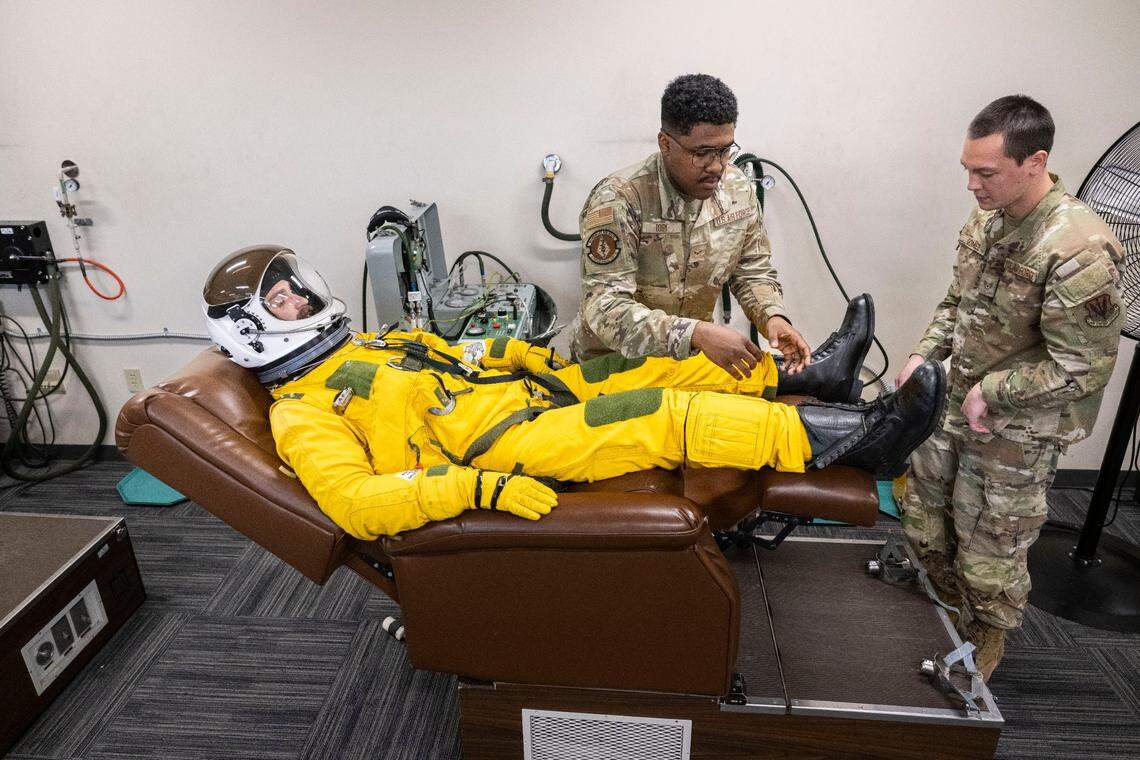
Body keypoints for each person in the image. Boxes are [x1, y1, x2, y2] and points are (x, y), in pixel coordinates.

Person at [203, 246, 944, 542]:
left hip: (520, 392)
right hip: (504, 445)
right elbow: (360, 507)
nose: (301, 298)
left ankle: (809, 378)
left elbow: (446, 350)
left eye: (296, 285)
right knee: (658, 412)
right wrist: (477, 488)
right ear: (251, 330)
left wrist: (512, 351)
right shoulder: (302, 415)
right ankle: (854, 441)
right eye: (282, 300)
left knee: (650, 367)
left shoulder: (358, 347)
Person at [895, 95, 1125, 681]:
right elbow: (958, 303)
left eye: (985, 173)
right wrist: (925, 352)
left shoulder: (1078, 248)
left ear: (1035, 161)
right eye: (968, 170)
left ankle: (981, 645)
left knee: (989, 549)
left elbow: (1083, 366)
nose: (972, 185)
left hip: (1018, 429)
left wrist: (993, 392)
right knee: (923, 514)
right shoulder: (987, 218)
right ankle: (945, 611)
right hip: (957, 397)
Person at [568, 73, 871, 404]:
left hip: (691, 369)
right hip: (613, 373)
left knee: (785, 414)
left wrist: (773, 318)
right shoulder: (620, 199)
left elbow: (751, 268)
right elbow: (606, 308)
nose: (718, 166)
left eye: (726, 150)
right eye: (703, 153)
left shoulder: (736, 189)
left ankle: (832, 388)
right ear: (665, 143)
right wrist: (695, 333)